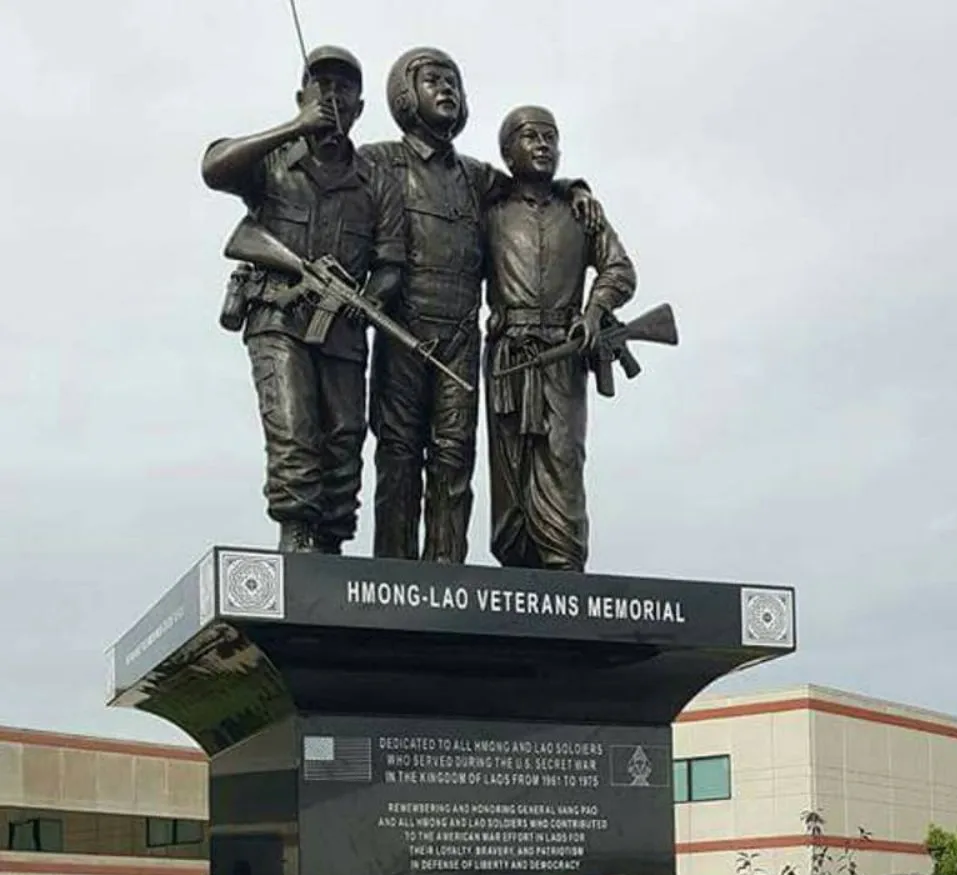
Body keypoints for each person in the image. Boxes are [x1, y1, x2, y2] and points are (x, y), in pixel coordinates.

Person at [360, 51, 601, 562]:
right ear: (406, 95)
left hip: (461, 342)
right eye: (432, 81)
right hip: (402, 333)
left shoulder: (476, 178)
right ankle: (393, 576)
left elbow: (532, 186)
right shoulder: (379, 160)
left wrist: (575, 187)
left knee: (454, 458)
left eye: (453, 82)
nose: (446, 89)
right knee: (399, 458)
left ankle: (445, 572)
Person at [202, 45, 405, 554]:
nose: (333, 97)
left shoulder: (376, 182)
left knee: (344, 438)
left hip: (341, 328)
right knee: (293, 430)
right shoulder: (272, 161)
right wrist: (294, 128)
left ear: (360, 108)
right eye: (323, 87)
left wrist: (365, 300)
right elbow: (213, 168)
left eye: (344, 90)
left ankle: (331, 547)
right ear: (302, 96)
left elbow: (391, 263)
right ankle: (295, 540)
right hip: (278, 315)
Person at [483, 106, 637, 571]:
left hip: (562, 355)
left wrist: (594, 311)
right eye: (530, 136)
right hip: (508, 359)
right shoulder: (489, 211)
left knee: (562, 458)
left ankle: (563, 563)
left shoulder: (580, 211)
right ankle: (518, 564)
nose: (543, 144)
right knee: (510, 467)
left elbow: (620, 269)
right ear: (508, 152)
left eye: (551, 137)